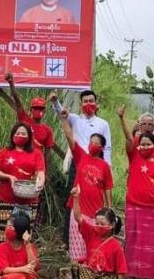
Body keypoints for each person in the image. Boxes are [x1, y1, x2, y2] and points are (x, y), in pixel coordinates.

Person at [52, 90, 111, 246]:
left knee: (95, 199)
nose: (88, 104)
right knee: (73, 198)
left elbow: (108, 147)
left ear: (96, 104)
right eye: (85, 101)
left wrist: (107, 167)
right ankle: (68, 239)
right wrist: (55, 101)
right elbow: (62, 114)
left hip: (98, 166)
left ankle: (94, 236)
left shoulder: (103, 124)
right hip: (79, 162)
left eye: (91, 101)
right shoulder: (76, 119)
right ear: (81, 104)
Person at [118, 105, 154, 279]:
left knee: (152, 242)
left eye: (148, 144)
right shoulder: (134, 157)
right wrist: (121, 118)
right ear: (137, 146)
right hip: (134, 206)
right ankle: (131, 272)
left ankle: (150, 273)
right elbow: (128, 138)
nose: (144, 147)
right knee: (133, 239)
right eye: (142, 145)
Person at [59, 108, 113, 263]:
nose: (93, 145)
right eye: (91, 142)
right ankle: (76, 269)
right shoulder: (81, 156)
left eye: (97, 143)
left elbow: (108, 188)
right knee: (76, 244)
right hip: (78, 208)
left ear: (102, 147)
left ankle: (90, 270)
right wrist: (64, 119)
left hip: (96, 212)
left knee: (92, 244)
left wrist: (109, 208)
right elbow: (69, 136)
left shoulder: (104, 166)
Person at [0, 123, 46, 241]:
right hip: (6, 200)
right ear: (12, 135)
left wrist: (41, 181)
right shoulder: (4, 152)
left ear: (29, 136)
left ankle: (23, 253)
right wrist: (8, 177)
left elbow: (40, 172)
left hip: (29, 202)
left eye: (23, 133)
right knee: (5, 235)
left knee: (25, 237)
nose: (20, 135)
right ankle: (4, 253)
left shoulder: (36, 153)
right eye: (18, 133)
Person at [0, 73, 64, 168]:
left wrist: (45, 170)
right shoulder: (24, 119)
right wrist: (11, 83)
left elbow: (47, 153)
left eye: (40, 109)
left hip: (36, 164)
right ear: (30, 110)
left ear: (44, 112)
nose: (38, 111)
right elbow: (17, 100)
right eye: (35, 108)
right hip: (20, 161)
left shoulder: (47, 130)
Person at [70, 186, 127, 278]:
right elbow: (78, 217)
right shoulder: (91, 233)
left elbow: (121, 271)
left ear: (112, 225)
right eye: (97, 223)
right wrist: (76, 198)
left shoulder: (116, 247)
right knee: (75, 266)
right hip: (89, 275)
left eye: (102, 224)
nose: (99, 226)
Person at [0, 212, 40, 279]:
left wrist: (28, 245)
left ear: (20, 230)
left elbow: (34, 266)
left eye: (10, 227)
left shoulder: (29, 246)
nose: (7, 228)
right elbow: (4, 269)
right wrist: (23, 269)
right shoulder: (2, 247)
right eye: (7, 226)